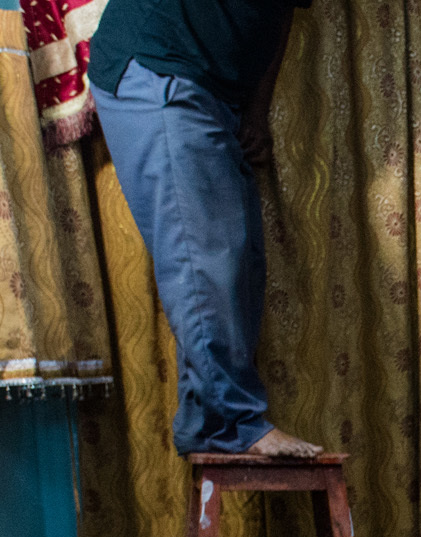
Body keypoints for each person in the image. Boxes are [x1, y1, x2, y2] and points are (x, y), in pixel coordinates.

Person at [88, 0, 320, 458]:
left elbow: (279, 14)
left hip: (216, 92)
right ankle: (230, 422)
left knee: (239, 266)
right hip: (160, 68)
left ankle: (207, 420)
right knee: (205, 260)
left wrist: (256, 110)